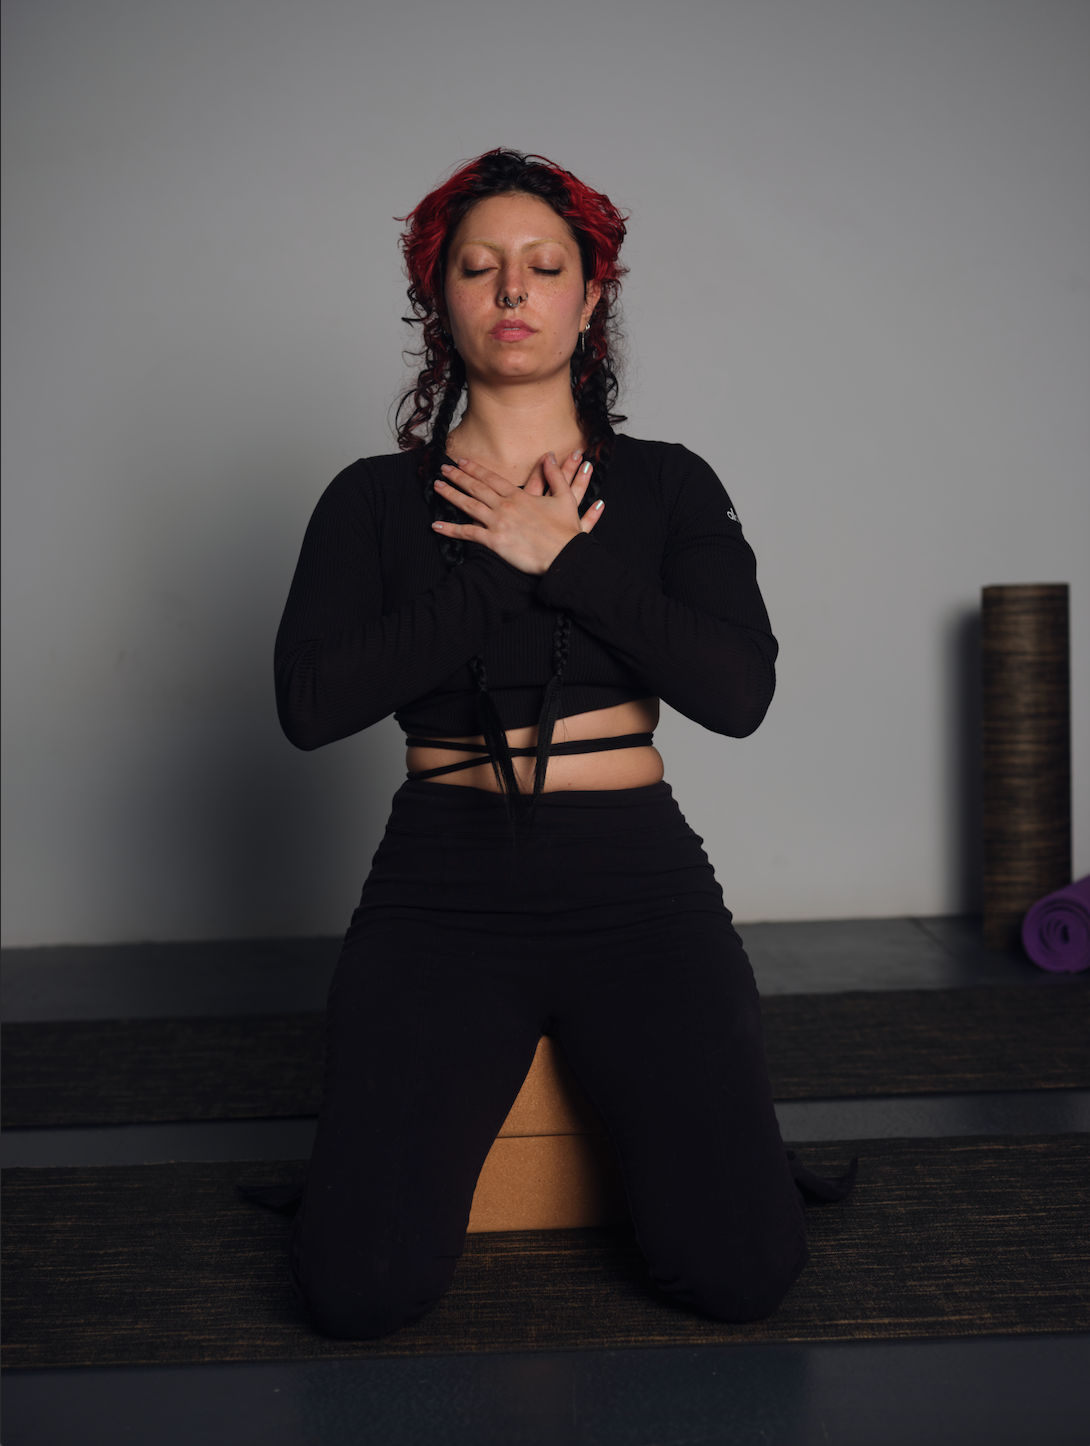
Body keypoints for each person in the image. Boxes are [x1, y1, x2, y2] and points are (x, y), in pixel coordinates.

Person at [272, 148, 853, 1340]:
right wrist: (496, 570)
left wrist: (570, 557)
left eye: (543, 267)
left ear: (592, 297)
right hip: (439, 881)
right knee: (358, 1293)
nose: (512, 291)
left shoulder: (667, 487)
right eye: (478, 270)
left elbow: (738, 693)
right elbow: (309, 704)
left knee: (742, 1277)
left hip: (635, 882)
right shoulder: (372, 502)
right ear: (440, 301)